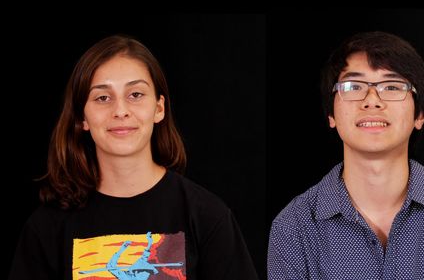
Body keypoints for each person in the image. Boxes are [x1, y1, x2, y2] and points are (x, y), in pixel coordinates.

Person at [9, 35, 258, 280]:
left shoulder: (207, 216)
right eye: (102, 98)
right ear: (81, 117)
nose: (120, 111)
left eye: (135, 95)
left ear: (159, 108)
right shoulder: (46, 229)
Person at [268, 31, 424, 279]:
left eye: (392, 86)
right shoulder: (293, 227)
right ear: (331, 115)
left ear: (419, 115)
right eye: (353, 86)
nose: (372, 101)